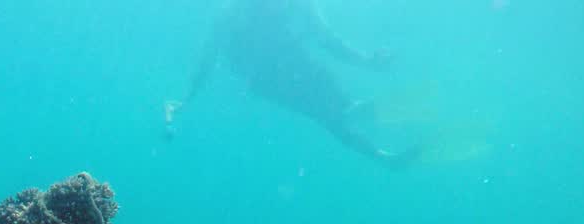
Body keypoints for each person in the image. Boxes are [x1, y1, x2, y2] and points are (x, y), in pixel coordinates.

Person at [167, 0, 419, 168]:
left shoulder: (247, 10)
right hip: (269, 78)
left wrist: (367, 61)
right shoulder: (232, 12)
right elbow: (207, 59)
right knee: (333, 113)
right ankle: (384, 153)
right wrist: (186, 99)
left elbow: (326, 38)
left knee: (336, 113)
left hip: (289, 66)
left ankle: (385, 157)